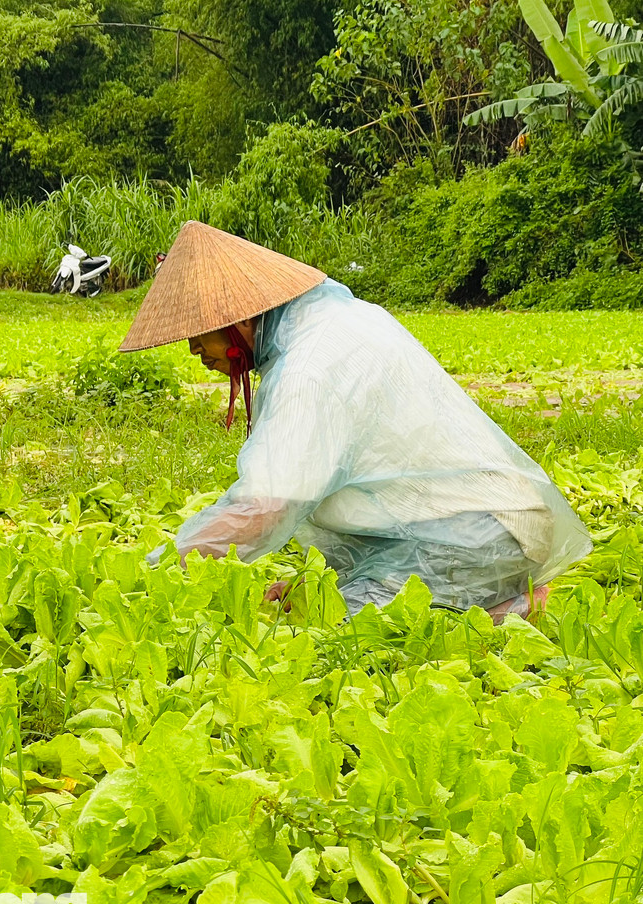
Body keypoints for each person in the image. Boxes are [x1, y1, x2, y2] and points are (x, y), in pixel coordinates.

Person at [123, 221, 591, 619]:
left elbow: (264, 509)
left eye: (197, 334)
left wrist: (162, 569)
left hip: (476, 536)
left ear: (236, 320)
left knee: (339, 631)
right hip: (468, 525)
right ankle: (485, 600)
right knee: (308, 605)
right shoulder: (334, 320)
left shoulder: (308, 366)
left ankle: (494, 613)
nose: (193, 351)